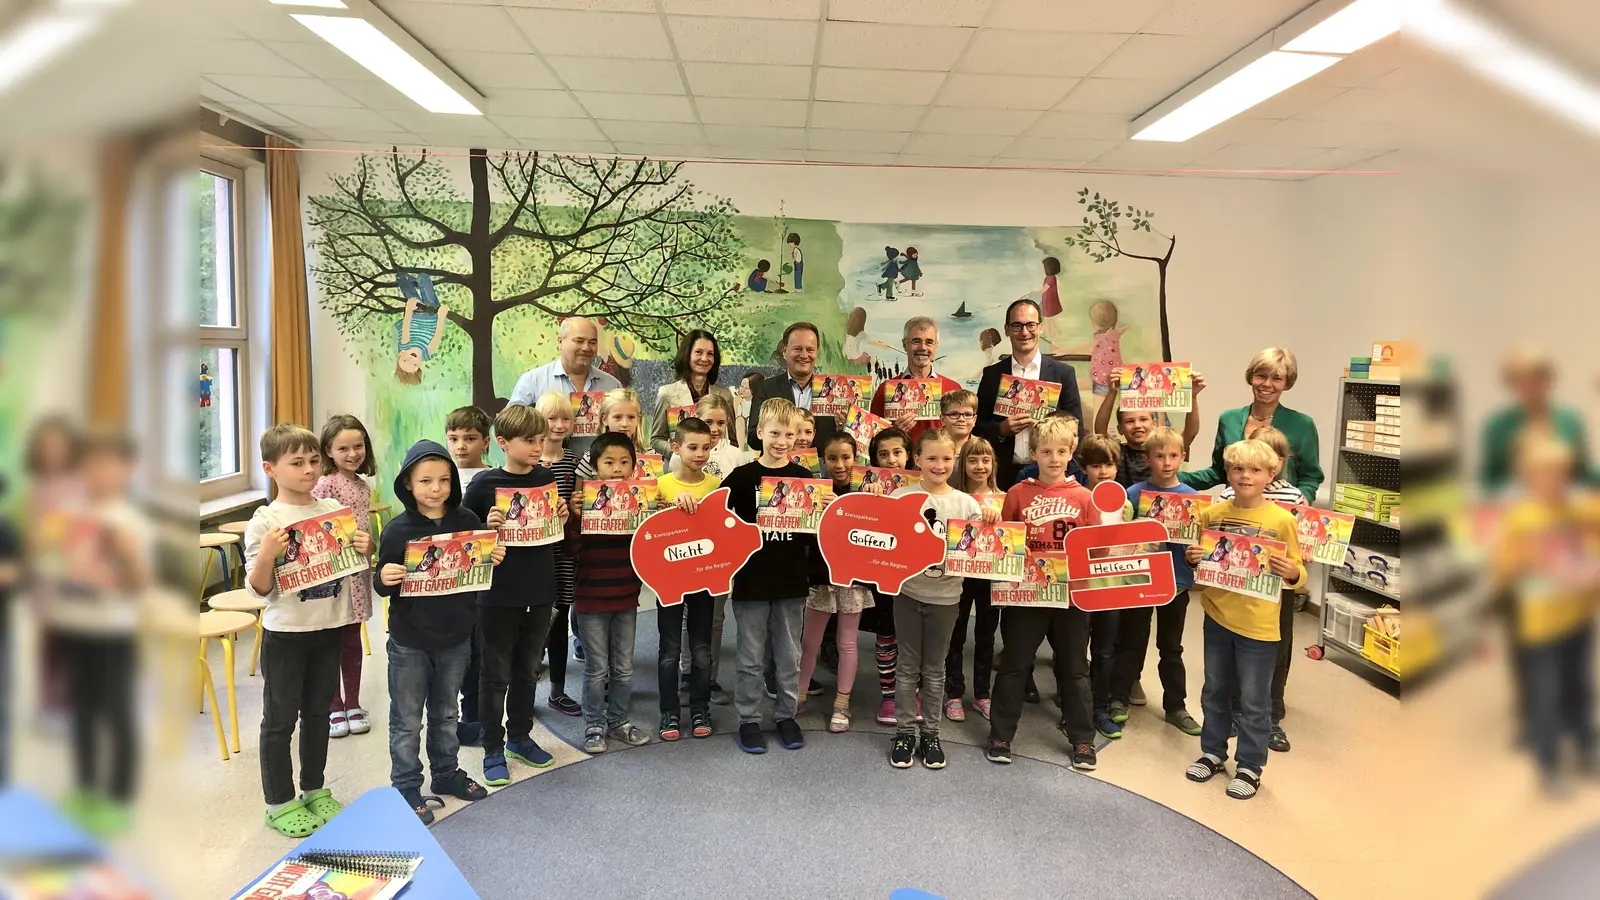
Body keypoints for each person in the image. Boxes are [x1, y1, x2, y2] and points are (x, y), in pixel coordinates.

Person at [245, 425, 370, 837]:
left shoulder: (331, 507)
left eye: (314, 460)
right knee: (280, 719)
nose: (309, 469)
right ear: (270, 469)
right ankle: (278, 801)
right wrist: (267, 554)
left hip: (330, 626)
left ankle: (314, 788)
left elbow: (351, 560)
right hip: (286, 632)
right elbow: (259, 587)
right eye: (296, 463)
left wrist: (364, 548)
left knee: (318, 713)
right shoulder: (265, 521)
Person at [373, 439, 496, 823]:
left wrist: (495, 555)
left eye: (444, 480)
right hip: (410, 640)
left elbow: (479, 572)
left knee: (446, 714)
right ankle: (406, 786)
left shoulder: (467, 522)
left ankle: (446, 774)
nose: (436, 488)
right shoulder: (397, 530)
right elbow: (382, 583)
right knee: (407, 719)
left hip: (457, 636)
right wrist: (385, 576)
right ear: (408, 483)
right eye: (425, 481)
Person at [1184, 440, 1307, 802]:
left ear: (1271, 474)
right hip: (1217, 616)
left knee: (1255, 700)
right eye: (1238, 469)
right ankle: (1213, 752)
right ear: (1228, 473)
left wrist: (1293, 572)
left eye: (1255, 470)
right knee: (1214, 690)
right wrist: (1193, 559)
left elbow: (1299, 574)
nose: (1245, 476)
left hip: (1260, 626)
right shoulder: (1212, 513)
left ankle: (1251, 765)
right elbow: (1202, 559)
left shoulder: (1282, 520)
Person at [49, 430, 149, 837]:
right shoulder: (69, 511)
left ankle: (119, 798)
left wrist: (123, 551)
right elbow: (55, 565)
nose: (99, 472)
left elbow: (138, 583)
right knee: (81, 713)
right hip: (73, 628)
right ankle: (86, 789)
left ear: (126, 470)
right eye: (90, 463)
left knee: (118, 715)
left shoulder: (130, 519)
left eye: (110, 463)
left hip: (113, 633)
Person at [984, 416, 1099, 770]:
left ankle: (1082, 739)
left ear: (1071, 453)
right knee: (1015, 664)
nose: (1053, 458)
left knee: (1075, 668)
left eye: (1061, 451)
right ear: (1033, 453)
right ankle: (1001, 734)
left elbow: (1095, 548)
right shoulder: (1018, 493)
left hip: (1070, 597)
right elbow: (1003, 540)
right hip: (1025, 595)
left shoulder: (1084, 497)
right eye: (1045, 451)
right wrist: (992, 519)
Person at [462, 405, 568, 786]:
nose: (538, 447)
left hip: (539, 589)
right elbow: (462, 536)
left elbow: (552, 530)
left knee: (528, 670)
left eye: (541, 439)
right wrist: (482, 525)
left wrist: (561, 513)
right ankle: (493, 746)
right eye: (529, 441)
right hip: (496, 595)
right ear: (503, 443)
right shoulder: (483, 485)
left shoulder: (545, 477)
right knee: (494, 674)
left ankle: (520, 737)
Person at [1493, 437, 1599, 794]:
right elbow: (1504, 569)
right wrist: (1530, 561)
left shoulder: (1580, 510)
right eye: (1546, 475)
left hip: (1577, 618)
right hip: (1540, 625)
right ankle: (1549, 763)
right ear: (1530, 478)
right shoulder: (1522, 517)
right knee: (1545, 695)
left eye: (1562, 474)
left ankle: (1587, 746)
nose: (1555, 482)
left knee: (1580, 688)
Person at [888, 429, 994, 769]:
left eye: (947, 458)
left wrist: (990, 518)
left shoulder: (967, 504)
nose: (939, 464)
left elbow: (985, 547)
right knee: (907, 668)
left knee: (935, 671)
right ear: (916, 459)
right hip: (907, 594)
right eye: (931, 458)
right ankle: (905, 732)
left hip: (948, 598)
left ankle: (931, 733)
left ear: (955, 461)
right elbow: (880, 529)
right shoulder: (902, 496)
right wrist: (876, 497)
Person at [722, 398, 813, 754]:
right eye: (774, 432)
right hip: (751, 581)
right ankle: (748, 719)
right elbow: (715, 516)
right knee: (749, 656)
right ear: (759, 433)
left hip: (791, 581)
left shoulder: (806, 480)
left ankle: (786, 715)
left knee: (789, 655)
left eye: (788, 434)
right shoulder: (742, 477)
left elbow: (819, 529)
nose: (781, 440)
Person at [563, 433, 651, 753]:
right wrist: (573, 518)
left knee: (624, 666)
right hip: (590, 598)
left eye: (624, 462)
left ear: (634, 466)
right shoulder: (585, 505)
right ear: (595, 467)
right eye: (609, 462)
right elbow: (570, 550)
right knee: (597, 667)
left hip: (626, 595)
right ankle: (594, 723)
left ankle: (618, 720)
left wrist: (658, 514)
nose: (617, 469)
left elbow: (650, 548)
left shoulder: (640, 501)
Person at [1219, 424, 1305, 752]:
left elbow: (1298, 543)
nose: (1249, 474)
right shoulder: (1229, 496)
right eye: (1243, 466)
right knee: (1234, 652)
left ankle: (1272, 715)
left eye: (1274, 459)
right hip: (1236, 593)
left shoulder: (1293, 498)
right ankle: (1236, 709)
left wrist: (1299, 562)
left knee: (1276, 653)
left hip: (1276, 591)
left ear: (1277, 464)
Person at [1112, 426, 1203, 736]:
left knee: (1171, 646)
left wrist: (1196, 555)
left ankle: (1176, 706)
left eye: (1173, 456)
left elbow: (1199, 546)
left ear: (1183, 457)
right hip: (1139, 581)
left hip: (1176, 583)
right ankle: (1119, 698)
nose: (1166, 462)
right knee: (1130, 642)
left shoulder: (1192, 499)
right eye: (1159, 456)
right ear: (1147, 458)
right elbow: (1118, 538)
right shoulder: (1134, 494)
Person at [796, 433, 875, 733]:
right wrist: (820, 504)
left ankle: (842, 703)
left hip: (854, 579)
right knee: (809, 641)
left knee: (847, 642)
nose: (839, 464)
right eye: (832, 458)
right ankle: (799, 693)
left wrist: (869, 497)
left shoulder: (866, 491)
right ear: (823, 461)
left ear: (856, 458)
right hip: (821, 576)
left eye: (846, 457)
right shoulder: (816, 489)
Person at [654, 417, 722, 741]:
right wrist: (668, 507)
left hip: (703, 579)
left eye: (706, 447)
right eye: (692, 447)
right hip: (667, 578)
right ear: (676, 447)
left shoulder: (715, 487)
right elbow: (650, 535)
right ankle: (669, 710)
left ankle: (700, 706)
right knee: (669, 648)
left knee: (701, 648)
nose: (699, 454)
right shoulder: (661, 486)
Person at [1181, 348, 1322, 502]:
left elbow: (1311, 477)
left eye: (1276, 378)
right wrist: (1167, 476)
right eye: (1261, 376)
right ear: (1251, 377)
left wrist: (1301, 502)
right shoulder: (1229, 420)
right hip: (1236, 512)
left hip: (1280, 514)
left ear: (1287, 383)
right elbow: (1218, 472)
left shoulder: (1302, 425)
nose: (1267, 384)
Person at [312, 415, 377, 740]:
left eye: (358, 445)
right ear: (328, 450)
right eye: (343, 448)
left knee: (352, 639)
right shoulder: (324, 485)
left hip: (358, 573)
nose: (353, 453)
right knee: (330, 642)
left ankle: (352, 702)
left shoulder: (363, 486)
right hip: (333, 578)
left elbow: (364, 530)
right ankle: (333, 706)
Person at [975, 298, 1086, 489]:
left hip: (1052, 474)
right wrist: (1001, 429)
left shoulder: (1063, 373)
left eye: (1030, 325)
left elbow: (1077, 427)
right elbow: (977, 427)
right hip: (1003, 474)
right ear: (1007, 330)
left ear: (1040, 327)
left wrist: (1051, 426)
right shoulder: (992, 374)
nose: (1024, 332)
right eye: (1017, 325)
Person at [532, 391, 584, 718]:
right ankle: (526, 688)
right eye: (552, 418)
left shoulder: (575, 462)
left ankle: (558, 692)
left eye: (565, 418)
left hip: (563, 554)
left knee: (560, 618)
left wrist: (576, 508)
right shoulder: (528, 462)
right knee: (533, 621)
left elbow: (581, 506)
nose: (559, 425)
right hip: (533, 556)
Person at [1480, 348, 1595, 492]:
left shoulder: (1571, 421)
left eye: (1537, 379)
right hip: (1515, 505)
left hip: (1566, 503)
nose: (1530, 387)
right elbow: (1488, 480)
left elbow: (1585, 473)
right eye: (1521, 380)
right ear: (1511, 384)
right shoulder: (1498, 425)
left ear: (1549, 380)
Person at [508, 316, 622, 459]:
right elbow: (509, 430)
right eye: (579, 341)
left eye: (592, 342)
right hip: (547, 473)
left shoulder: (612, 386)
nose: (586, 348)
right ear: (560, 342)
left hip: (600, 475)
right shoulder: (532, 382)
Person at [945, 436, 1001, 722]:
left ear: (993, 464)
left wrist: (998, 517)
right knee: (955, 633)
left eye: (985, 460)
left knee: (987, 635)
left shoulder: (1004, 498)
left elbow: (1014, 538)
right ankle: (953, 692)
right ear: (962, 464)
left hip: (990, 578)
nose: (980, 466)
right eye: (972, 460)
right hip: (959, 575)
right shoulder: (954, 497)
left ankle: (983, 694)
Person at [1076, 434, 1126, 741]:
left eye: (1109, 464)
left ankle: (1101, 707)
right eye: (1096, 465)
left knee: (1106, 651)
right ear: (1084, 467)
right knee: (1075, 652)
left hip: (1112, 587)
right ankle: (1075, 706)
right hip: (1080, 588)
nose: (1103, 471)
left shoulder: (1126, 502)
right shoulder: (1077, 498)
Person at [1094, 369, 1206, 487]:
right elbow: (1100, 431)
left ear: (1154, 424)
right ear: (1120, 428)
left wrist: (1193, 396)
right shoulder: (1118, 452)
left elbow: (1190, 433)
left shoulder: (1165, 450)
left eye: (1143, 419)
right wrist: (1112, 392)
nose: (1137, 425)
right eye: (1130, 421)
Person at [869, 318, 963, 445]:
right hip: (900, 464)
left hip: (942, 464)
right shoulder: (885, 389)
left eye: (929, 342)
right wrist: (894, 432)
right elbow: (872, 439)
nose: (923, 347)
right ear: (905, 345)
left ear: (936, 346)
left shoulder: (953, 388)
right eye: (916, 341)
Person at [747, 322, 837, 453]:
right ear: (784, 352)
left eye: (810, 350)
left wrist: (842, 427)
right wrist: (774, 432)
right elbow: (753, 439)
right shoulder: (766, 388)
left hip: (819, 469)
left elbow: (842, 442)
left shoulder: (834, 391)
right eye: (798, 349)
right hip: (777, 469)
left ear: (816, 352)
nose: (804, 355)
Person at [649, 329, 736, 460]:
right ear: (687, 355)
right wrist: (680, 454)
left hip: (718, 469)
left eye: (710, 354)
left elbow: (732, 440)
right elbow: (657, 439)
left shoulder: (724, 395)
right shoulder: (667, 394)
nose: (704, 358)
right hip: (680, 469)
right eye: (698, 352)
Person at [444, 407, 493, 488]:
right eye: (454, 439)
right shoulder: (442, 478)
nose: (461, 446)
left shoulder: (497, 479)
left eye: (470, 439)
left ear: (485, 442)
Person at [735, 371, 761, 451]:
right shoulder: (740, 403)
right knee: (740, 419)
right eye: (741, 386)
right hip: (742, 428)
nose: (742, 390)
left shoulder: (757, 404)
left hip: (754, 431)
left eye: (746, 388)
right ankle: (740, 449)